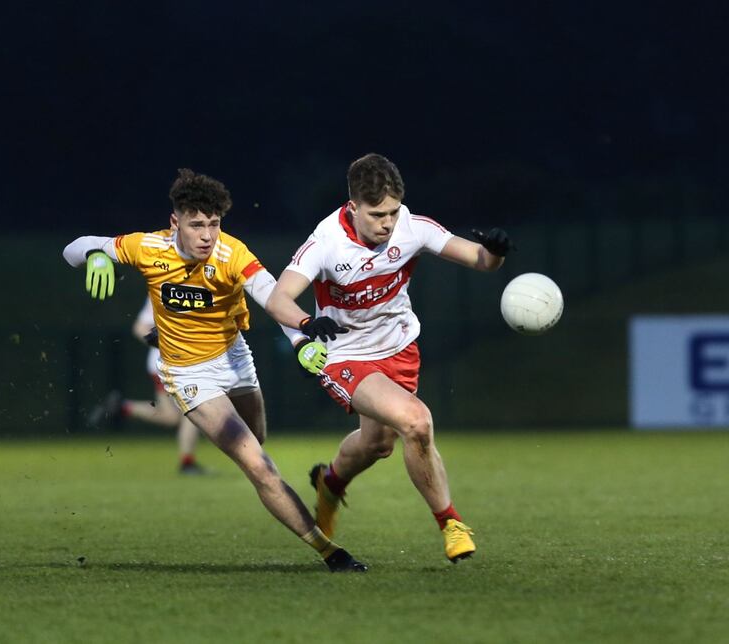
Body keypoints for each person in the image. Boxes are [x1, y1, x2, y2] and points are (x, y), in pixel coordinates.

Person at [63, 168, 367, 572]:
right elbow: (74, 246)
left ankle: (258, 470)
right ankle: (331, 552)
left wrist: (301, 337)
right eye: (196, 225)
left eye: (214, 224)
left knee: (259, 445)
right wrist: (97, 254)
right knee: (260, 466)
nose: (207, 235)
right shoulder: (148, 247)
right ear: (175, 223)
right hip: (189, 374)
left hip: (234, 358)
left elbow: (272, 297)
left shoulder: (231, 254)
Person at [265, 153, 514, 563]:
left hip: (398, 349)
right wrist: (307, 324)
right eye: (377, 214)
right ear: (352, 208)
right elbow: (278, 299)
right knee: (415, 422)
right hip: (345, 354)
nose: (388, 223)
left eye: (394, 212)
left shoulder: (412, 228)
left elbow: (481, 261)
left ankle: (330, 484)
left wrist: (496, 250)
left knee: (378, 443)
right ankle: (450, 522)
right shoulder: (327, 241)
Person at [88, 297, 205, 475]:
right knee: (196, 407)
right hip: (169, 364)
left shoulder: (200, 285)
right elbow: (140, 327)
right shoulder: (161, 287)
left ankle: (122, 407)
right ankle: (187, 463)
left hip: (179, 362)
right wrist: (166, 347)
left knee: (172, 417)